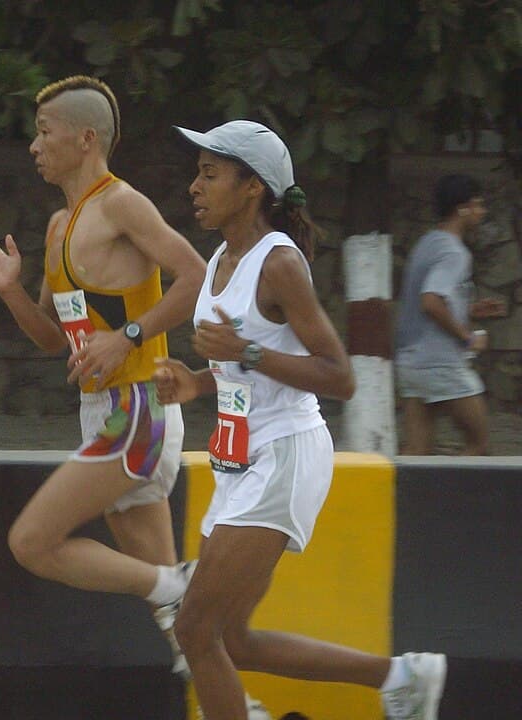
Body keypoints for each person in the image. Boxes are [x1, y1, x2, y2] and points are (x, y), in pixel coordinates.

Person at [0, 75, 266, 707]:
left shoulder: (121, 204)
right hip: (101, 410)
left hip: (137, 410)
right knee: (183, 630)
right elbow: (53, 339)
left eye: (44, 132)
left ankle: (179, 582)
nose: (33, 146)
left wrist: (128, 336)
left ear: (86, 139)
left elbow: (194, 274)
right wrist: (9, 289)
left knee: (31, 543)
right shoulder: (58, 225)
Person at [153, 119, 446, 720]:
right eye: (198, 173)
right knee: (230, 639)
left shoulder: (278, 263)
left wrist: (245, 353)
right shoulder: (220, 259)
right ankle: (401, 678)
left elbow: (340, 376)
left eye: (209, 174)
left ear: (253, 187)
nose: (194, 187)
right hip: (239, 459)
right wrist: (198, 382)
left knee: (194, 629)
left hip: (284, 453)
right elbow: (245, 367)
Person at [395, 174, 508, 455]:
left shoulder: (427, 243)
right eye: (477, 205)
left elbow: (430, 300)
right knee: (478, 444)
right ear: (462, 209)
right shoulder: (455, 252)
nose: (482, 212)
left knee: (417, 452)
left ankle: (414, 488)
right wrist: (468, 338)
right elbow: (431, 302)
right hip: (440, 362)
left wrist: (470, 309)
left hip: (411, 363)